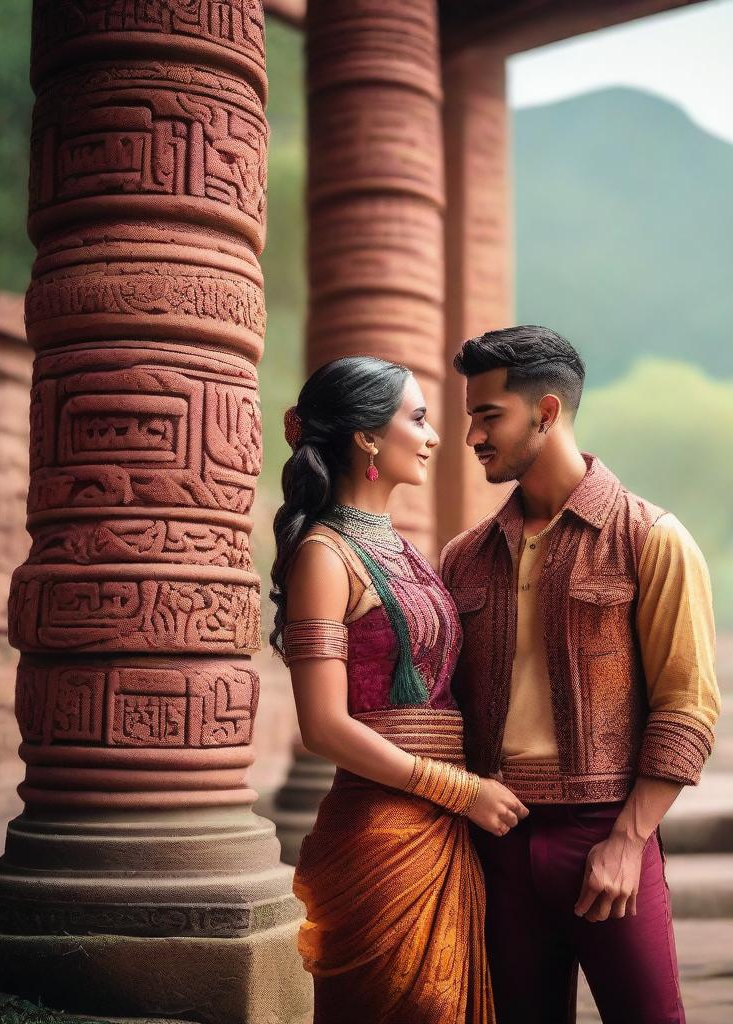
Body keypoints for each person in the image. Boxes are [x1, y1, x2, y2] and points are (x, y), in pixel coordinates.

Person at [440, 325, 722, 1024]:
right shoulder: (463, 557)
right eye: (469, 415)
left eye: (487, 415)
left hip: (604, 832)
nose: (472, 435)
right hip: (494, 837)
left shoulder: (652, 538)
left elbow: (687, 705)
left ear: (545, 413)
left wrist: (627, 843)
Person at [270, 355, 528, 1024]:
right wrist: (461, 790)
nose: (435, 435)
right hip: (383, 837)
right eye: (417, 418)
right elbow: (323, 727)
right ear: (366, 438)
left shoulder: (406, 549)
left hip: (443, 828)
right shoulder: (324, 556)